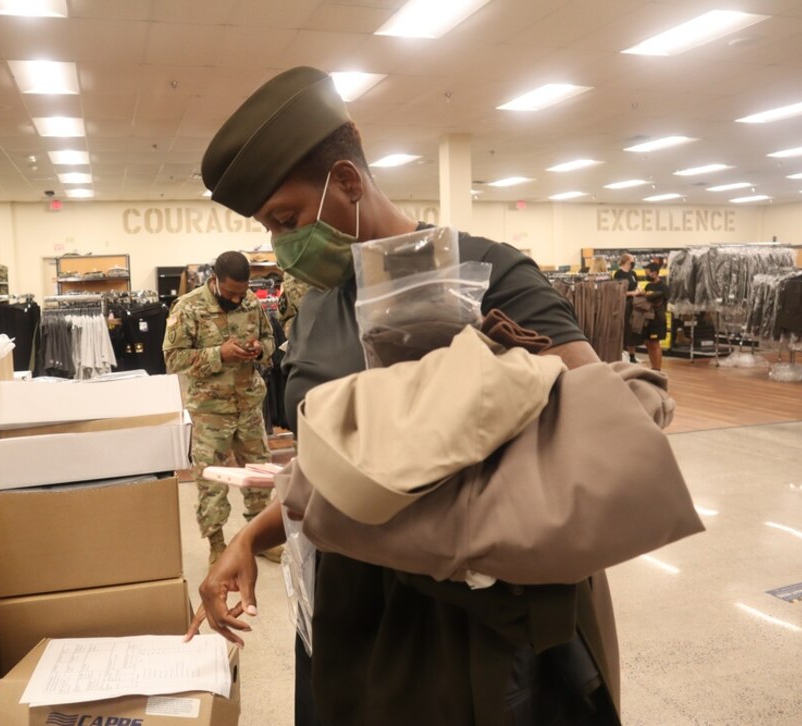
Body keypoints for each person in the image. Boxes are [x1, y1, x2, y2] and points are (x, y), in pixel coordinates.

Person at [187, 66, 623, 725]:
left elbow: (600, 423)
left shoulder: (486, 275)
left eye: (288, 218)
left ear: (348, 182)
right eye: (270, 228)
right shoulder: (315, 310)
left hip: (473, 627)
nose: (281, 244)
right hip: (349, 616)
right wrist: (250, 534)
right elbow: (333, 475)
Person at [162, 251, 281, 564]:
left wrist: (259, 351)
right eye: (230, 293)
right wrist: (219, 354)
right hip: (210, 410)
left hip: (250, 406)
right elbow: (173, 359)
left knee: (260, 475)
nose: (236, 298)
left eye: (241, 293)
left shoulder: (252, 302)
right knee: (211, 481)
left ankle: (261, 538)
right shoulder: (188, 307)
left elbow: (270, 340)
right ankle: (217, 546)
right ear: (213, 280)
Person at [640, 262, 669, 372]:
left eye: (647, 273)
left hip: (658, 319)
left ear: (655, 273)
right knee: (648, 343)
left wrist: (647, 297)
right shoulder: (648, 285)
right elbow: (645, 298)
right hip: (647, 319)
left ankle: (657, 369)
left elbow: (657, 301)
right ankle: (653, 367)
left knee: (655, 343)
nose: (646, 275)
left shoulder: (663, 287)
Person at [613, 253, 641, 363]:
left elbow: (636, 285)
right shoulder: (618, 274)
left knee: (632, 329)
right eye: (632, 260)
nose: (634, 261)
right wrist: (632, 293)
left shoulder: (633, 273)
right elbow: (618, 292)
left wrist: (638, 291)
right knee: (625, 329)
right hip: (624, 305)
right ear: (627, 261)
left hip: (634, 304)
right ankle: (623, 354)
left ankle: (632, 355)